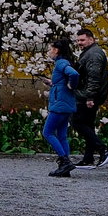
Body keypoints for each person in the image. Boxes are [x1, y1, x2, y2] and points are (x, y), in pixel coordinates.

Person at [71, 26, 108, 168]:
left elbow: (93, 78)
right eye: (78, 40)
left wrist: (90, 97)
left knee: (78, 122)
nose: (79, 43)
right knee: (88, 124)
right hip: (90, 94)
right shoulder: (90, 53)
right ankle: (88, 158)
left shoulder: (93, 55)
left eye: (82, 40)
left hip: (88, 96)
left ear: (91, 39)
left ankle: (102, 149)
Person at [43, 35, 80, 176]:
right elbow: (64, 79)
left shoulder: (61, 63)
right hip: (66, 104)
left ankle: (64, 161)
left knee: (47, 132)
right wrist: (52, 83)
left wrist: (72, 85)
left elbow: (74, 74)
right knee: (62, 135)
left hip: (59, 105)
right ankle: (66, 166)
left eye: (51, 49)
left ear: (57, 50)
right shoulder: (63, 62)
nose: (50, 51)